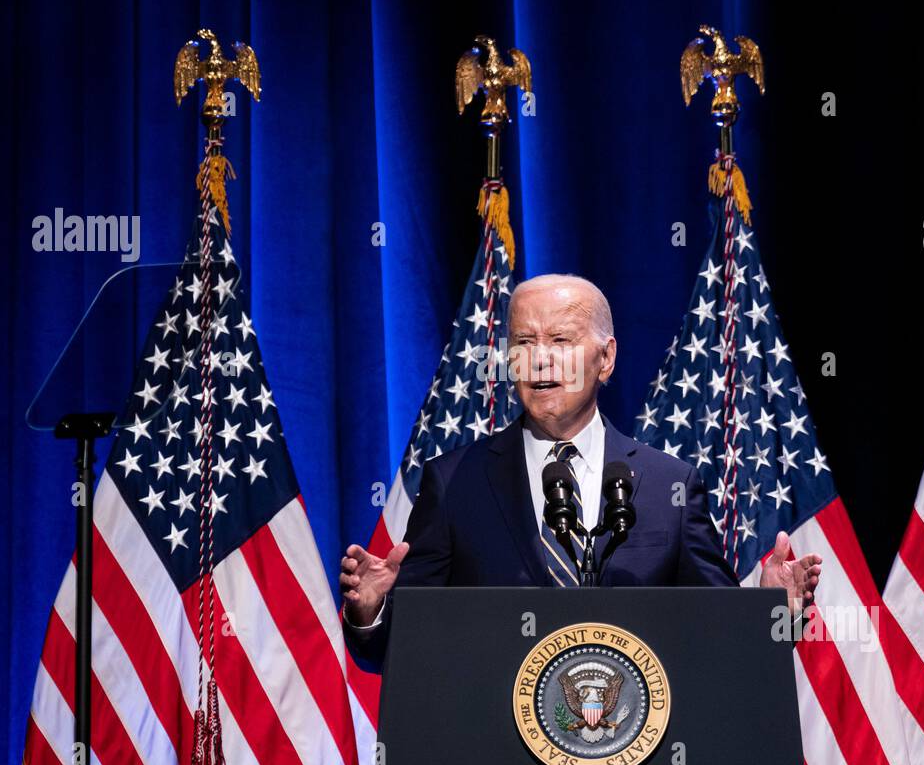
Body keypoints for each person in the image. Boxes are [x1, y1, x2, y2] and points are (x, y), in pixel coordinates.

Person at [340, 274, 821, 656]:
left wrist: (773, 612)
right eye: (524, 342)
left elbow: (720, 638)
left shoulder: (668, 486)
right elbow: (403, 649)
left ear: (606, 358)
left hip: (636, 763)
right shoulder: (454, 482)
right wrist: (373, 611)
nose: (541, 360)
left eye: (561, 340)